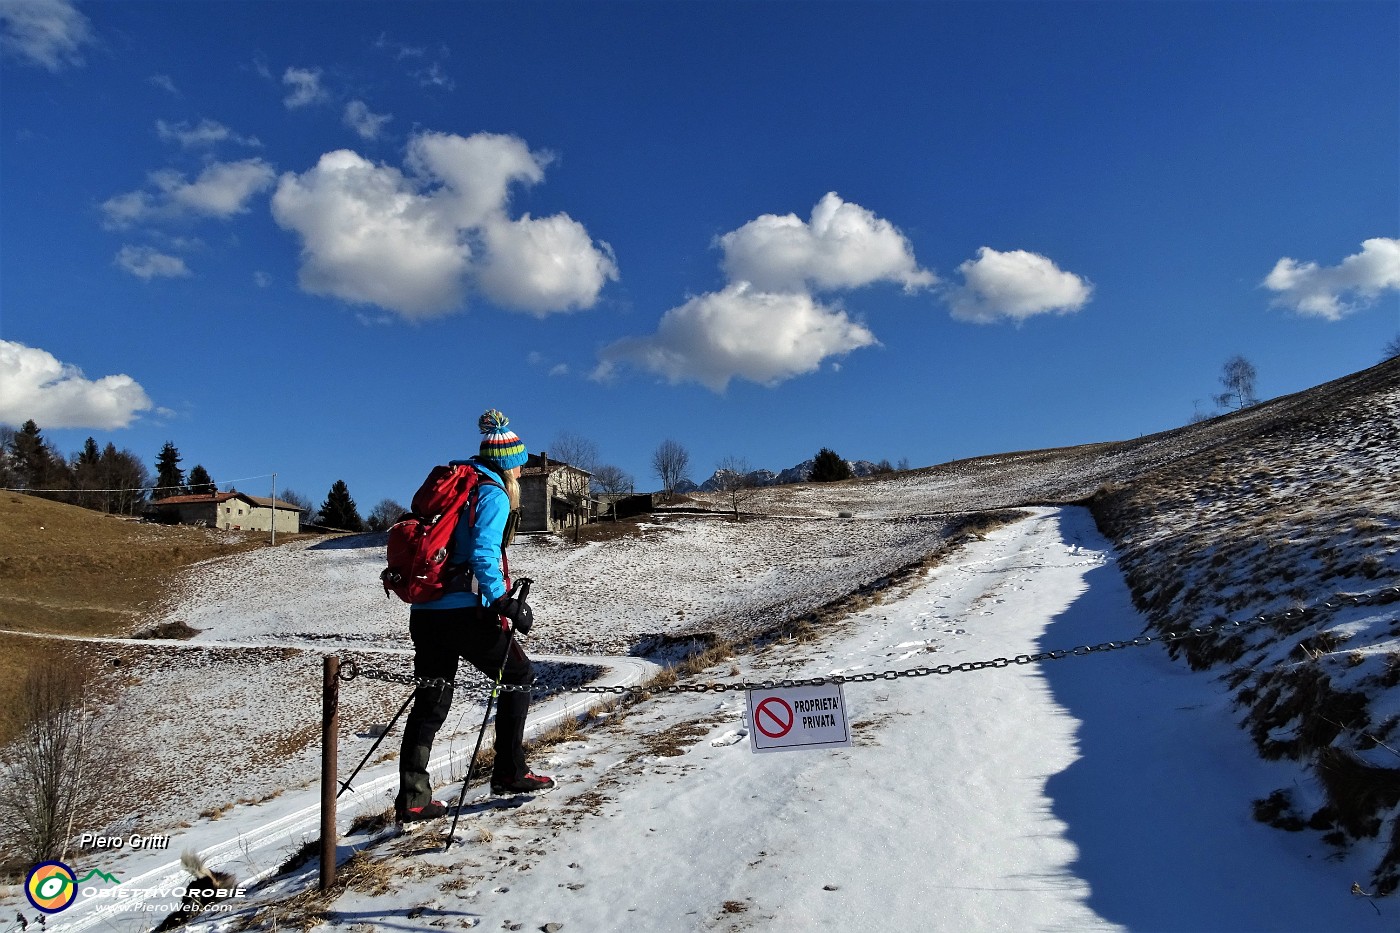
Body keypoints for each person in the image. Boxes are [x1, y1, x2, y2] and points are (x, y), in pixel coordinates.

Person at [395, 409, 554, 822]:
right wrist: (503, 601)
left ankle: (413, 796)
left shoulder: (455, 486)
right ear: (508, 463)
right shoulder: (493, 493)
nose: (520, 472)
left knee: (431, 697)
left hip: (425, 611)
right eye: (518, 464)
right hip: (465, 613)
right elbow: (484, 552)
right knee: (518, 676)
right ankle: (510, 772)